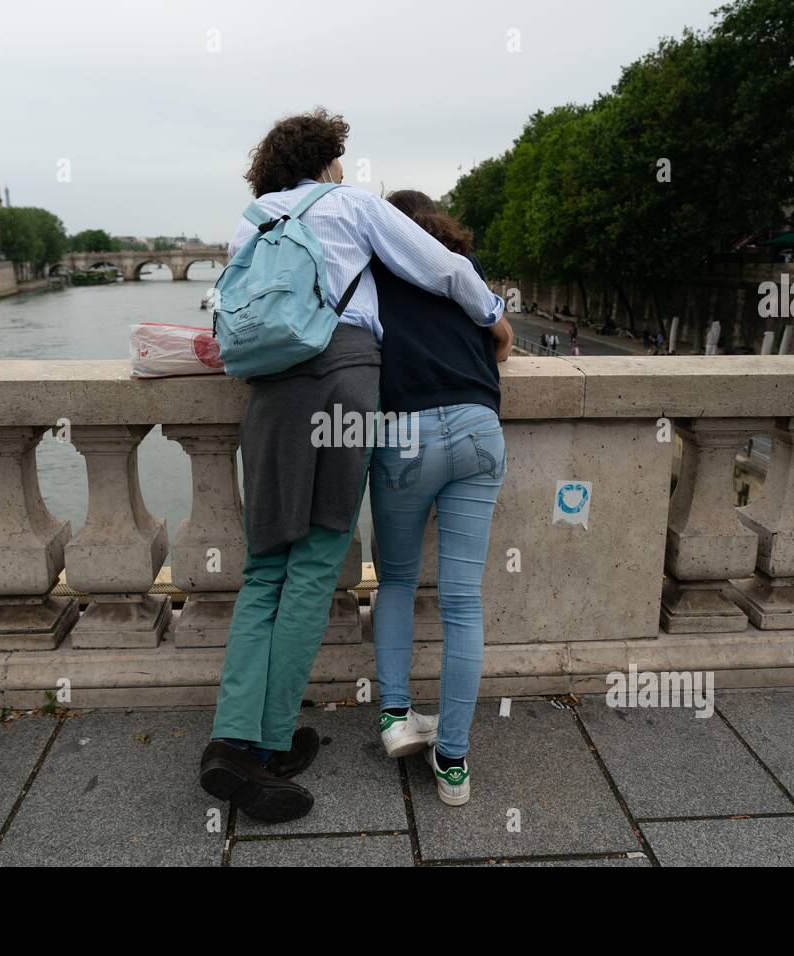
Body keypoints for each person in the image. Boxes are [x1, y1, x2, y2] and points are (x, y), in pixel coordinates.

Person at [198, 109, 509, 823]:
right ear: (329, 160)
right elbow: (442, 267)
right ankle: (263, 746)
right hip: (340, 382)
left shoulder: (251, 221)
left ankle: (235, 738)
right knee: (314, 560)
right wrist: (495, 315)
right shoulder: (351, 203)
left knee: (265, 562)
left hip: (270, 393)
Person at [368, 189, 511, 807]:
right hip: (480, 428)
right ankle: (453, 762)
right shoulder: (462, 272)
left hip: (404, 433)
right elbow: (501, 341)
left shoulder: (372, 275)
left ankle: (396, 716)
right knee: (462, 603)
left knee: (397, 580)